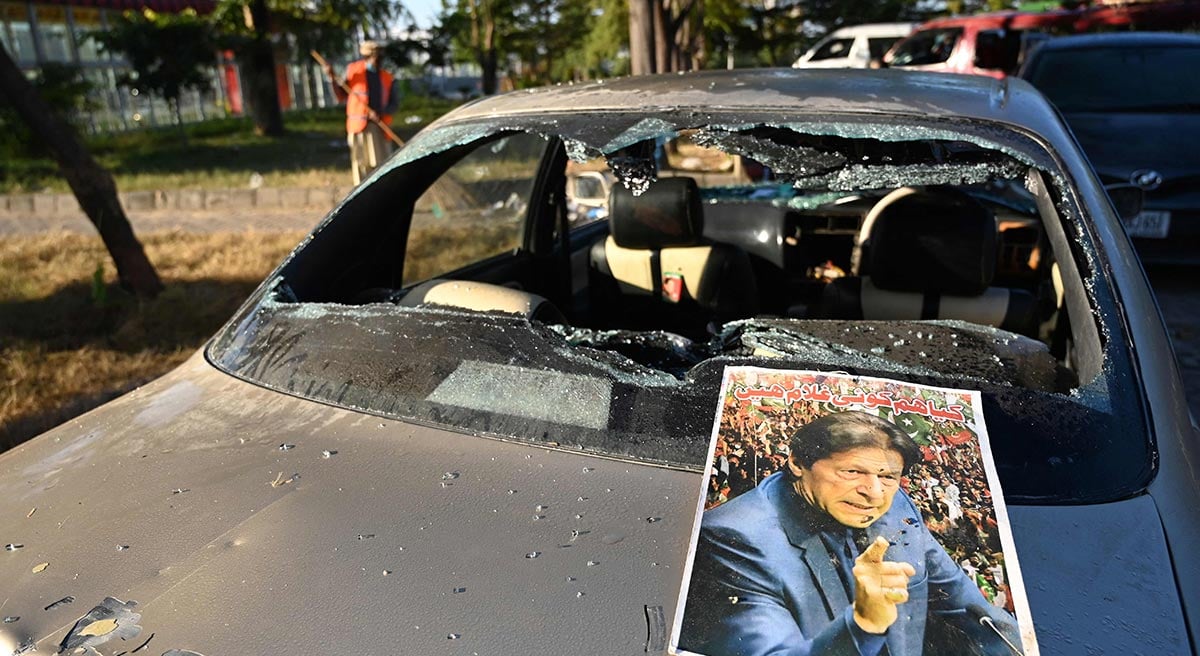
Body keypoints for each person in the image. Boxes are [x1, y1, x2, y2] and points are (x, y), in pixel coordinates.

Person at [679, 411, 1022, 656]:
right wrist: (865, 623)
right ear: (798, 463)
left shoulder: (897, 504)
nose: (874, 492)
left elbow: (971, 609)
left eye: (888, 477)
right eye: (852, 471)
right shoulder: (732, 539)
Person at [322, 40, 401, 184]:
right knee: (360, 165)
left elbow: (394, 105)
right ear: (367, 57)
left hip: (380, 128)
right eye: (375, 57)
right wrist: (332, 78)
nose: (378, 60)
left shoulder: (387, 78)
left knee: (383, 165)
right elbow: (341, 96)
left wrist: (381, 112)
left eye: (380, 57)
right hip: (359, 128)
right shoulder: (353, 72)